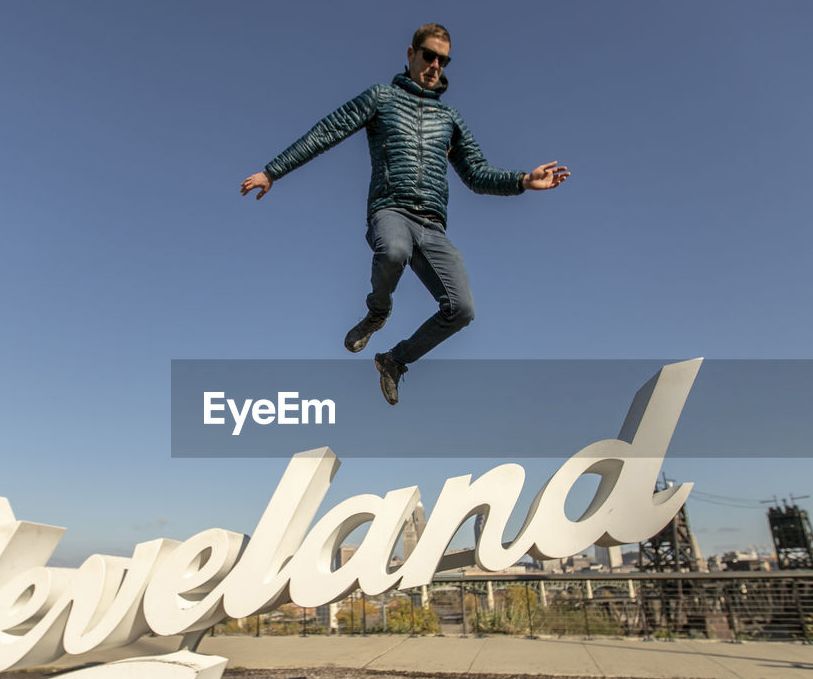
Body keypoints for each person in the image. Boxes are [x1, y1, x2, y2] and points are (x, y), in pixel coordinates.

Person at [241, 23, 568, 405]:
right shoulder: (381, 97)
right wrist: (273, 171)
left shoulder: (450, 119)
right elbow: (327, 131)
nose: (434, 66)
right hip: (390, 210)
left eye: (443, 61)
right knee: (393, 250)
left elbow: (477, 173)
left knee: (461, 309)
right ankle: (377, 312)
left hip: (432, 225)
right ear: (410, 54)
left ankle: (395, 361)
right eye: (428, 56)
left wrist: (523, 180)